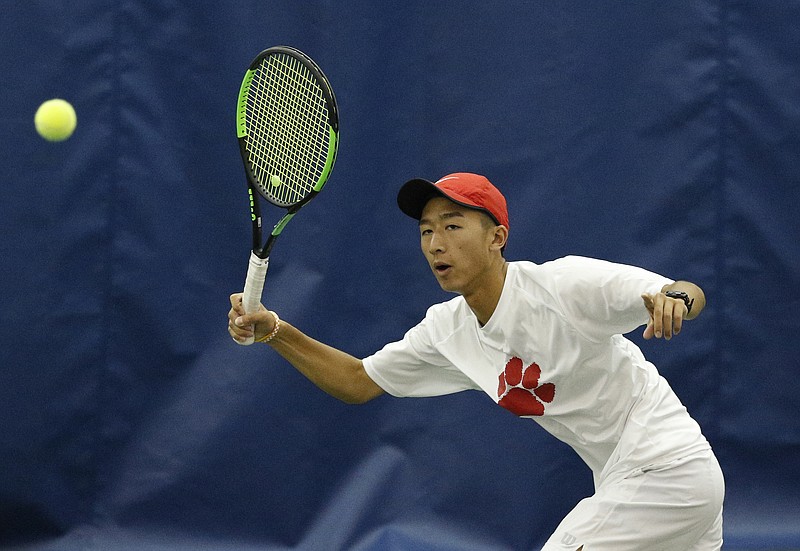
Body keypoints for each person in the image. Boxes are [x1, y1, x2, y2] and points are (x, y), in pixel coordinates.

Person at [227, 172, 724, 550]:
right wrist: (276, 331)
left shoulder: (565, 285)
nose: (436, 243)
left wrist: (674, 298)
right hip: (635, 483)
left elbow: (682, 291)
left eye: (452, 225)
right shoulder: (446, 331)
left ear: (497, 238)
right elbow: (359, 380)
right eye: (425, 231)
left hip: (667, 470)